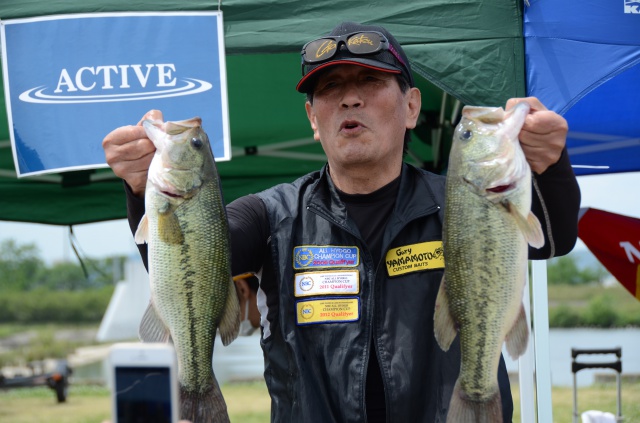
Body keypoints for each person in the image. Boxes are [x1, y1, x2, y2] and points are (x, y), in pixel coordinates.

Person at [103, 21, 581, 423]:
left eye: (370, 82)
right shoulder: (272, 212)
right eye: (331, 89)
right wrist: (142, 189)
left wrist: (550, 166)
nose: (350, 99)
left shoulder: (462, 202)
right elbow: (186, 261)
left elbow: (554, 238)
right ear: (313, 118)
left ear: (411, 106)